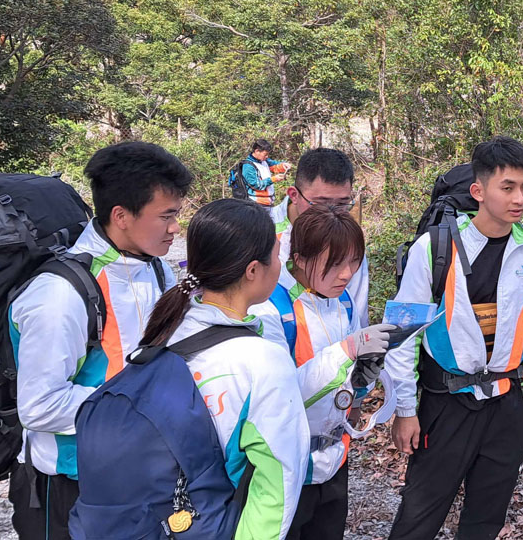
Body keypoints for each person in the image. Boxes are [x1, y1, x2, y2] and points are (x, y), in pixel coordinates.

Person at [7, 141, 192, 540]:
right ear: (121, 216)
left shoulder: (156, 270)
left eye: (176, 214)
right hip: (71, 487)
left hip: (139, 475)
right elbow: (39, 406)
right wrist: (142, 410)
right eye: (166, 216)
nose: (175, 228)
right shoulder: (60, 295)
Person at [385, 136, 523, 540]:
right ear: (478, 191)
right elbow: (402, 331)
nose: (520, 198)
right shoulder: (436, 247)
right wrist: (405, 408)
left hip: (506, 403)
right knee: (419, 515)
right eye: (508, 187)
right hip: (447, 402)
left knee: (486, 517)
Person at [139, 198, 311, 539]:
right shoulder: (262, 361)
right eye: (277, 256)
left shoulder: (165, 324)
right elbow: (277, 485)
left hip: (150, 518)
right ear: (253, 270)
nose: (281, 265)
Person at [252, 205, 396, 540]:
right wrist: (346, 351)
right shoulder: (271, 309)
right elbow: (282, 395)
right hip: (285, 465)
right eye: (334, 263)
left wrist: (361, 381)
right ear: (299, 259)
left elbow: (346, 379)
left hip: (335, 457)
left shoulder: (341, 302)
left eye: (354, 262)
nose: (346, 274)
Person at [270, 148, 369, 330]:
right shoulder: (264, 233)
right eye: (321, 203)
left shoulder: (347, 238)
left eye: (342, 204)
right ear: (294, 195)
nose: (332, 211)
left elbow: (356, 304)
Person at [240, 138, 291, 206]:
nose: (267, 157)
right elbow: (256, 185)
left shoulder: (264, 161)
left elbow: (275, 165)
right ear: (257, 151)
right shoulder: (248, 166)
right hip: (255, 203)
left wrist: (283, 165)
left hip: (268, 202)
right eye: (265, 154)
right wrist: (274, 179)